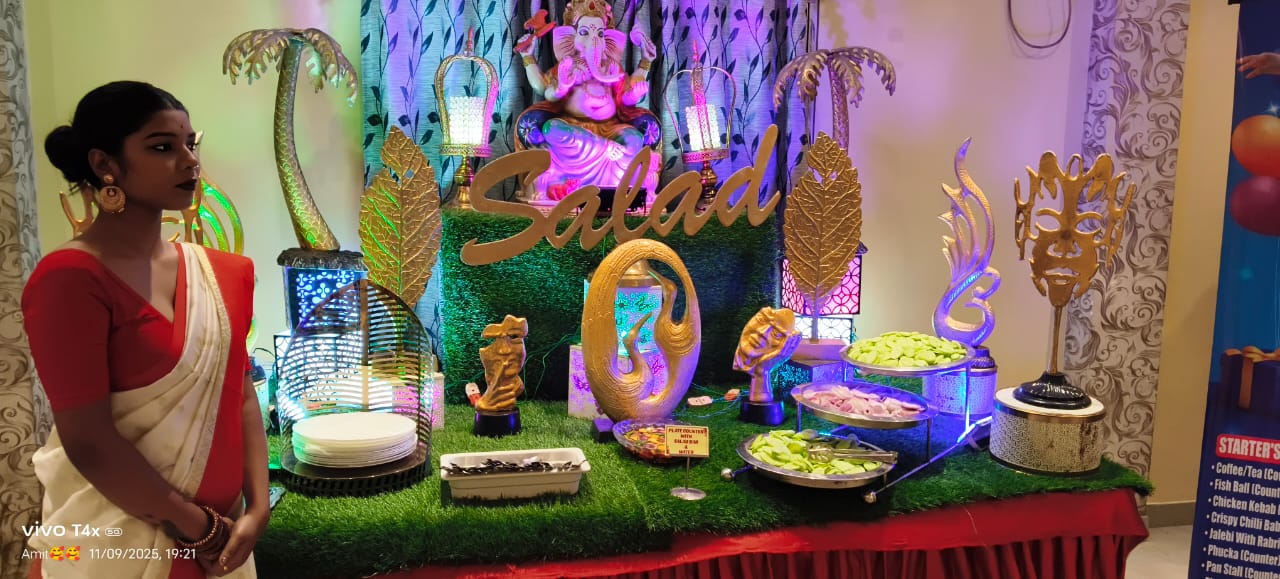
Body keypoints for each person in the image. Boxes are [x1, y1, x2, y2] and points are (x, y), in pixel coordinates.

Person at [23, 81, 268, 578]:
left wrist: (257, 507)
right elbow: (89, 440)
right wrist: (198, 527)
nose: (190, 161)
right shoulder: (70, 279)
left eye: (190, 144)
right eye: (162, 147)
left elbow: (241, 394)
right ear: (104, 164)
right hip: (115, 542)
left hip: (225, 541)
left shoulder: (224, 274)